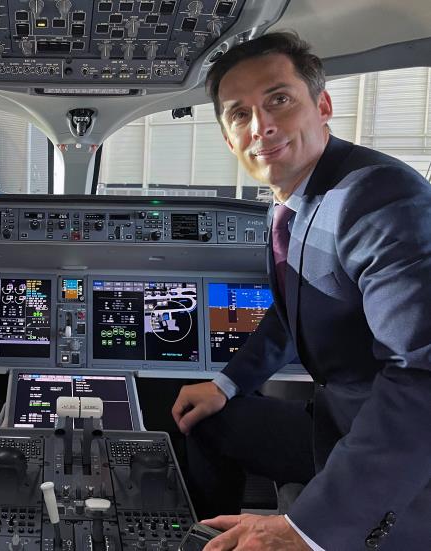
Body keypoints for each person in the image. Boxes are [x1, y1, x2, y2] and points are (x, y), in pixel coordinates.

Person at [171, 32, 431, 551]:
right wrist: (226, 383)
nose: (261, 126)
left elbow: (424, 374)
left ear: (324, 105)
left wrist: (305, 530)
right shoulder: (292, 198)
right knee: (201, 422)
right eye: (238, 114)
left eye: (278, 100)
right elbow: (293, 311)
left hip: (407, 466)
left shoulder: (379, 199)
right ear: (228, 137)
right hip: (334, 426)